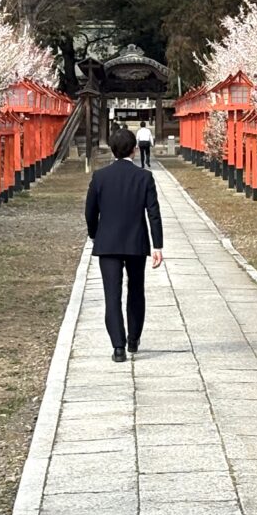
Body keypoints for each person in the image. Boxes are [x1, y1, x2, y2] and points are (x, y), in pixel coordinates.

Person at [85, 128, 164, 362]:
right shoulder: (144, 177)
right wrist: (157, 246)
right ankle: (133, 339)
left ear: (112, 149)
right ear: (134, 150)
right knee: (136, 290)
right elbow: (153, 213)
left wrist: (94, 234)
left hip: (107, 243)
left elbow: (90, 211)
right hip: (136, 242)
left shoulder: (100, 177)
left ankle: (118, 347)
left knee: (112, 294)